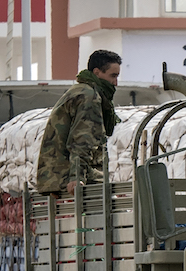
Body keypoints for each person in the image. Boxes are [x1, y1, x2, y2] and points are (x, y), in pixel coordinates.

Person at [35, 49, 122, 195]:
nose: (115, 83)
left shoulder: (80, 90)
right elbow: (82, 140)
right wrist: (77, 177)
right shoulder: (89, 96)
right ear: (97, 73)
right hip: (71, 180)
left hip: (58, 177)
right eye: (112, 76)